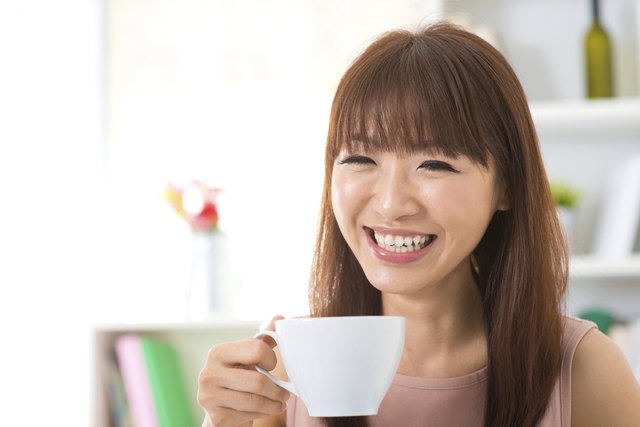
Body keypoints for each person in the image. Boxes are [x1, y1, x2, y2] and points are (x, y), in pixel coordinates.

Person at [197, 22, 640, 427]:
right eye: (360, 158)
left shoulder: (582, 370)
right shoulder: (283, 375)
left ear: (506, 186)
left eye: (434, 163)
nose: (390, 204)